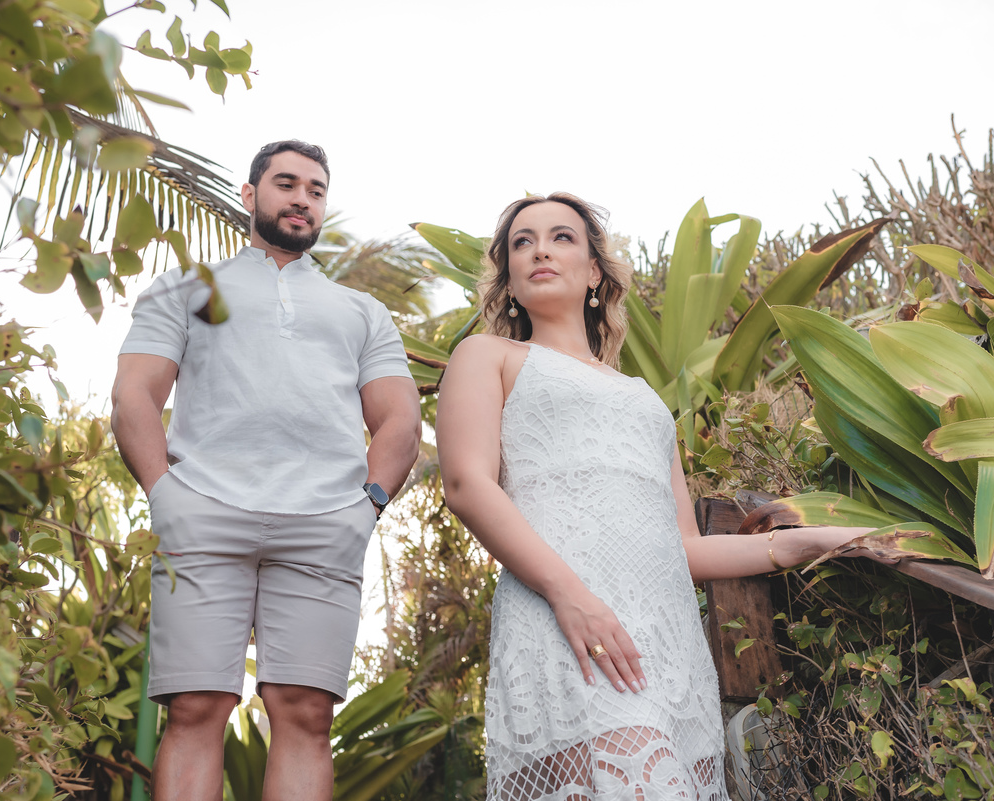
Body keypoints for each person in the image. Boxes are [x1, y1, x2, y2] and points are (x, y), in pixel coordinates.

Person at [436, 193, 887, 801]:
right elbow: (467, 486)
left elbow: (685, 549)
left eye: (561, 237)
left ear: (595, 273)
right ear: (510, 280)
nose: (540, 250)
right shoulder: (488, 356)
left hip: (668, 646)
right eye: (523, 242)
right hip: (562, 617)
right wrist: (571, 597)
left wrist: (800, 542)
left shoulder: (646, 401)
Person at [111, 139, 421, 801]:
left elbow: (400, 420)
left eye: (316, 189)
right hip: (200, 514)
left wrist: (366, 506)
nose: (302, 198)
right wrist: (164, 494)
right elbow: (134, 396)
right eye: (286, 183)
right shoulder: (185, 288)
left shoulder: (362, 311)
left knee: (307, 713)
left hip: (326, 525)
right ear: (250, 195)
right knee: (194, 707)